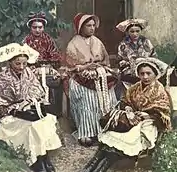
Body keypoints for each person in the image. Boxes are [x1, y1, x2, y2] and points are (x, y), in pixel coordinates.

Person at [77, 57, 171, 172]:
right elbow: (124, 101)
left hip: (148, 124)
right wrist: (128, 109)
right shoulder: (135, 87)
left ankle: (100, 171)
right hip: (130, 120)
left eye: (149, 73)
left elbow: (164, 113)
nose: (145, 77)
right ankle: (90, 167)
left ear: (155, 74)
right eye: (142, 74)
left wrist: (148, 115)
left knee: (124, 139)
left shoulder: (160, 91)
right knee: (110, 136)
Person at [0, 43, 62, 172]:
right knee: (32, 126)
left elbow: (37, 91)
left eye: (24, 64)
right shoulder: (1, 79)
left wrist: (32, 103)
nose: (21, 67)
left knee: (43, 121)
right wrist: (15, 110)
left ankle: (43, 156)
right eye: (17, 64)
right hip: (11, 115)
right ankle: (36, 161)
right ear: (10, 62)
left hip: (28, 111)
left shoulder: (28, 73)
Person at [62, 13, 118, 146]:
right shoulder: (73, 44)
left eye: (93, 25)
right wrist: (86, 67)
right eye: (88, 26)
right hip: (79, 77)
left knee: (109, 95)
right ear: (80, 27)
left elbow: (105, 61)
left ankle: (107, 129)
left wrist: (101, 68)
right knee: (87, 99)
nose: (92, 28)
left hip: (99, 75)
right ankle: (86, 132)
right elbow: (70, 67)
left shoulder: (97, 41)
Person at [23, 11, 62, 117]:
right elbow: (22, 58)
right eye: (34, 27)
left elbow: (55, 56)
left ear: (43, 27)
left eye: (40, 27)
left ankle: (53, 112)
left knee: (54, 80)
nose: (37, 30)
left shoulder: (48, 39)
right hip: (31, 68)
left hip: (47, 67)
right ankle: (33, 111)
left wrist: (49, 64)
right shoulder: (26, 41)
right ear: (30, 28)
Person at [115, 18, 157, 99]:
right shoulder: (123, 44)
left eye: (137, 31)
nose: (135, 34)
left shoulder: (146, 42)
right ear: (127, 32)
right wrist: (130, 63)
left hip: (146, 68)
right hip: (130, 71)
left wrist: (145, 62)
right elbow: (120, 60)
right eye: (132, 31)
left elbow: (153, 56)